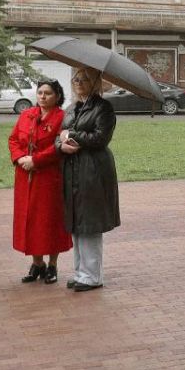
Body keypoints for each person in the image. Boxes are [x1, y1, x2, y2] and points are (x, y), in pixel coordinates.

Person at [56, 67, 120, 292]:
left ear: (95, 83)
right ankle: (80, 273)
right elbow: (59, 135)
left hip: (93, 170)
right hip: (72, 169)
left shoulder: (104, 108)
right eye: (76, 79)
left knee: (89, 223)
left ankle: (92, 277)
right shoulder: (72, 108)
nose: (78, 82)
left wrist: (72, 136)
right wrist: (61, 145)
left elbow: (101, 138)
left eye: (84, 79)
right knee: (77, 223)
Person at [9, 80, 72, 285]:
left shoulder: (62, 118)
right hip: (25, 176)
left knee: (49, 220)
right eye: (40, 92)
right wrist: (20, 158)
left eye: (48, 93)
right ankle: (37, 263)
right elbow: (13, 139)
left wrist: (36, 160)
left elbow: (59, 146)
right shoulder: (27, 114)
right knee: (29, 219)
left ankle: (52, 264)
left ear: (57, 96)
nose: (43, 96)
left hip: (48, 176)